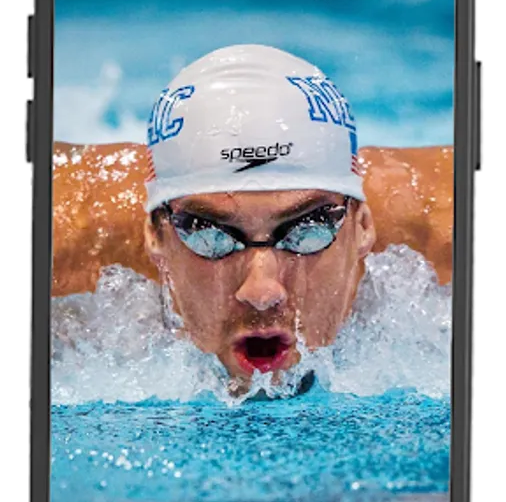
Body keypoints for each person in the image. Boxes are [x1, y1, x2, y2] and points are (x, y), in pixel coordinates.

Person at [52, 45, 453, 393]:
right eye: (211, 236)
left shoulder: (447, 228)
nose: (262, 292)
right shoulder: (62, 237)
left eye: (307, 231)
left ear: (362, 225)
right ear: (155, 234)